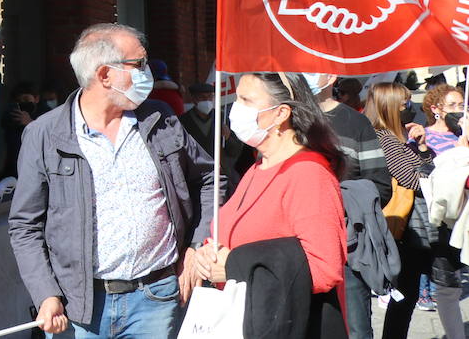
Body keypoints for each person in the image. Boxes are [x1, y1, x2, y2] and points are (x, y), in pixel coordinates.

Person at [7, 23, 218, 337]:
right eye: (139, 65)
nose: (147, 74)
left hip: (157, 298)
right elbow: (25, 224)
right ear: (104, 75)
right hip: (80, 308)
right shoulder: (45, 134)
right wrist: (45, 294)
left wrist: (196, 246)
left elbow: (210, 179)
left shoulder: (160, 119)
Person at [194, 72, 347, 338]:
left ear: (280, 114)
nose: (235, 109)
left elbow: (324, 268)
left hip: (288, 325)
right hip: (245, 318)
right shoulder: (259, 166)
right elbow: (237, 231)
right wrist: (209, 251)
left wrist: (235, 266)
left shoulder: (309, 175)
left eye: (246, 100)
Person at [365, 81, 461, 339]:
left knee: (410, 295)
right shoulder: (384, 138)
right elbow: (411, 178)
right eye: (404, 101)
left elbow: (424, 165)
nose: (409, 106)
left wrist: (421, 147)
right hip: (409, 229)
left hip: (419, 225)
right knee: (406, 295)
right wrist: (446, 169)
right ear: (389, 105)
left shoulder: (399, 137)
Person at [304, 71, 392, 339]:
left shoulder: (356, 122)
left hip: (346, 249)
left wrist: (337, 204)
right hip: (295, 249)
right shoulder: (285, 120)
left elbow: (380, 185)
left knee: (354, 330)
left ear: (330, 77)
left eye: (311, 69)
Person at [178, 82, 251, 197]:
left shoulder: (223, 118)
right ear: (194, 99)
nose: (207, 100)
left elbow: (235, 151)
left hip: (224, 176)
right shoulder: (183, 121)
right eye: (202, 98)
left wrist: (227, 137)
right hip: (197, 178)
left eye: (210, 97)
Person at [419, 84, 463, 156]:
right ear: (435, 109)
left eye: (461, 106)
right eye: (451, 105)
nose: (458, 110)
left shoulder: (464, 133)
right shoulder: (424, 137)